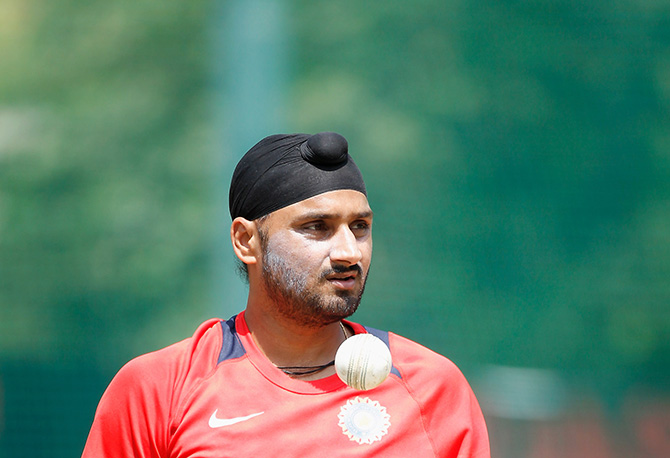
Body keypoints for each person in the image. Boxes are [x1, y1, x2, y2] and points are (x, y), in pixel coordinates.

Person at [81, 132, 490, 457]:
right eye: (317, 227)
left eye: (360, 227)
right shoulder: (160, 389)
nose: (349, 251)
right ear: (246, 240)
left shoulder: (431, 387)